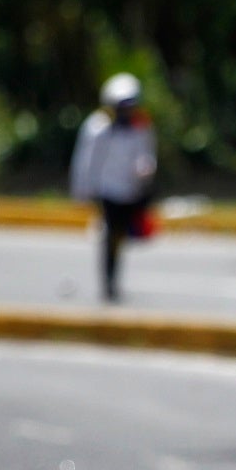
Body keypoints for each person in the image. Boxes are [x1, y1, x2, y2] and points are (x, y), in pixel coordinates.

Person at [68, 72, 157, 303]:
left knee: (123, 236)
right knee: (110, 236)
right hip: (108, 191)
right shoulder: (97, 128)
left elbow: (146, 155)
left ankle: (114, 278)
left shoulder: (141, 127)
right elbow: (86, 162)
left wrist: (146, 169)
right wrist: (83, 191)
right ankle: (109, 283)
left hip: (131, 190)